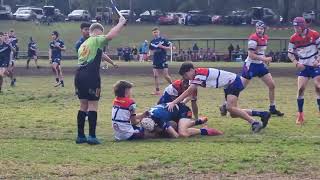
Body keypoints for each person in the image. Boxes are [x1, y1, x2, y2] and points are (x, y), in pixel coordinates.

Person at [167, 62, 271, 133]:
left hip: (233, 82)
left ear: (191, 70)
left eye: (185, 75)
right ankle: (262, 114)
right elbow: (191, 94)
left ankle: (255, 123)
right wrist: (183, 102)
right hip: (229, 84)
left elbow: (190, 90)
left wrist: (174, 102)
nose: (185, 78)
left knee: (231, 108)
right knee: (233, 114)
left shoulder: (199, 74)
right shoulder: (195, 77)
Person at [74, 17, 126, 145]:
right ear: (98, 32)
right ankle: (92, 136)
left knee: (83, 106)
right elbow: (111, 35)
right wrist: (120, 23)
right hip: (91, 76)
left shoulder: (84, 44)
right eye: (101, 33)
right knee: (93, 106)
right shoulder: (97, 39)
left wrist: (112, 62)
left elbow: (100, 53)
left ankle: (80, 136)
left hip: (79, 75)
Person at [220, 21, 284, 117]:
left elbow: (260, 52)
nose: (259, 30)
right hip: (251, 66)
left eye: (261, 28)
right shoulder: (253, 38)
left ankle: (272, 108)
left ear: (264, 29)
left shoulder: (265, 38)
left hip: (260, 65)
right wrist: (265, 59)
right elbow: (251, 55)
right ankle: (225, 104)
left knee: (272, 85)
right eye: (258, 28)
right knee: (239, 87)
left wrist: (264, 60)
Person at [287, 17, 320, 125]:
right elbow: (290, 54)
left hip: (315, 65)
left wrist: (318, 60)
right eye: (294, 26)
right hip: (304, 67)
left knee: (318, 87)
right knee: (300, 90)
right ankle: (300, 114)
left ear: (303, 26)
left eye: (297, 26)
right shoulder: (293, 38)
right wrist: (296, 63)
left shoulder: (314, 34)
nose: (295, 28)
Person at [145, 103, 222, 138]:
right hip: (174, 114)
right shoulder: (145, 116)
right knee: (172, 127)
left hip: (183, 111)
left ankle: (204, 130)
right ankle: (198, 121)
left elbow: (176, 135)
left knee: (182, 133)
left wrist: (160, 133)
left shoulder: (159, 119)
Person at [149, 27, 172, 95]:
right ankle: (157, 91)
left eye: (156, 32)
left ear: (159, 32)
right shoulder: (152, 41)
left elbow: (170, 47)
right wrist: (150, 53)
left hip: (163, 59)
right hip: (155, 59)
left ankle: (174, 86)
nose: (155, 33)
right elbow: (151, 49)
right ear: (152, 33)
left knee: (166, 75)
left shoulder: (163, 40)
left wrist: (162, 47)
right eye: (154, 32)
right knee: (155, 76)